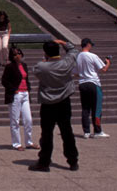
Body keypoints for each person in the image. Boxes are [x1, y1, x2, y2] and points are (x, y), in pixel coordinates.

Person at [29, 40, 79, 172]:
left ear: (45, 53)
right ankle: (73, 161)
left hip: (48, 104)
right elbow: (73, 51)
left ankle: (44, 162)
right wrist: (63, 42)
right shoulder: (66, 63)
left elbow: (36, 70)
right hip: (64, 102)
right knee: (67, 132)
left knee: (46, 134)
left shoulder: (41, 67)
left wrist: (45, 60)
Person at [1, 47, 38, 151]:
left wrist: (28, 89)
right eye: (15, 54)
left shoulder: (24, 65)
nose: (18, 56)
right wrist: (14, 89)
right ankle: (17, 143)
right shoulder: (9, 67)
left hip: (25, 93)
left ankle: (29, 142)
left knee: (28, 119)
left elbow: (26, 79)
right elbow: (4, 81)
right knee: (15, 120)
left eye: (19, 53)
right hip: (15, 95)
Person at [75, 38, 111, 139]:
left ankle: (86, 131)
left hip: (82, 83)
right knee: (97, 108)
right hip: (93, 83)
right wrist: (108, 62)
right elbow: (104, 69)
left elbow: (75, 73)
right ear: (88, 45)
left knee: (85, 109)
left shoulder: (78, 57)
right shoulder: (92, 56)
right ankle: (97, 131)